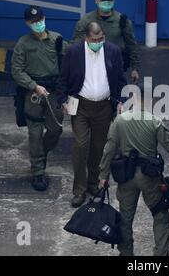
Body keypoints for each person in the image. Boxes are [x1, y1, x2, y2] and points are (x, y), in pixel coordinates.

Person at [97, 83, 169, 256]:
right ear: (150, 100)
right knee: (160, 215)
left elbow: (108, 150)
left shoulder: (120, 121)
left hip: (126, 176)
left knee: (125, 219)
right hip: (149, 177)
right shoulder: (155, 122)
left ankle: (126, 254)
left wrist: (103, 176)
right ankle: (160, 254)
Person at [57, 21, 127, 208]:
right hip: (80, 105)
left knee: (99, 147)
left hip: (104, 107)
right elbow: (63, 78)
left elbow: (120, 79)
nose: (98, 42)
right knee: (80, 145)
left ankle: (93, 183)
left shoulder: (113, 51)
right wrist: (63, 100)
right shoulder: (74, 52)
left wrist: (120, 100)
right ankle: (79, 191)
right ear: (86, 38)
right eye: (94, 39)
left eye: (100, 38)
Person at [11, 5, 66, 191]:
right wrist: (33, 86)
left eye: (40, 20)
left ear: (45, 18)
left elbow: (71, 60)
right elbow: (16, 71)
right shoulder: (23, 44)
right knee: (34, 133)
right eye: (34, 22)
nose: (38, 24)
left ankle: (41, 153)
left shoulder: (57, 40)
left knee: (55, 129)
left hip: (53, 93)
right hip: (33, 93)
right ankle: (38, 172)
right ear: (28, 23)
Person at [71, 0, 141, 84]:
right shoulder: (86, 21)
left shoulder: (122, 21)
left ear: (114, 1)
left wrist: (135, 68)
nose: (106, 3)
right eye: (103, 0)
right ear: (96, 0)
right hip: (90, 66)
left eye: (110, 0)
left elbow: (131, 45)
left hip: (114, 67)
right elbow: (75, 45)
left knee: (117, 95)